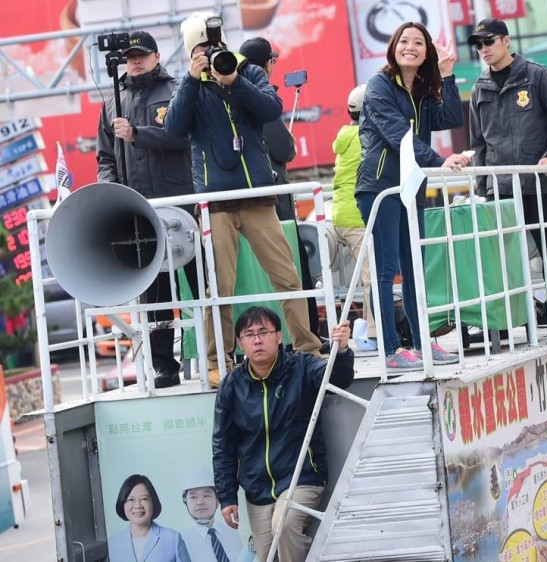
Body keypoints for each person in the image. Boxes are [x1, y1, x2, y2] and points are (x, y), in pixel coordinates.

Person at [164, 12, 322, 387]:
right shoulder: (188, 85)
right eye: (203, 48)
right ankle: (218, 360)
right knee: (219, 287)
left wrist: (233, 81)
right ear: (191, 52)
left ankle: (308, 350)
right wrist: (191, 78)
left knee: (287, 276)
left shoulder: (246, 72)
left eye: (217, 45)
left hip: (256, 198)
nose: (213, 53)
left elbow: (271, 109)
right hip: (215, 203)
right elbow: (173, 127)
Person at [356, 21, 468, 371]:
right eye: (404, 41)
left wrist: (447, 75)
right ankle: (390, 350)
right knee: (387, 270)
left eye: (419, 43)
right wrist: (439, 161)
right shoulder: (378, 86)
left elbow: (451, 117)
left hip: (410, 189)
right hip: (380, 188)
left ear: (426, 53)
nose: (411, 47)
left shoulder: (421, 89)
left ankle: (422, 344)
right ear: (393, 47)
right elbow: (396, 137)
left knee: (415, 269)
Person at [212, 306, 354, 562]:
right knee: (269, 557)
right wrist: (226, 497)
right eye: (249, 334)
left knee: (285, 525)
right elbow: (223, 445)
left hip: (302, 478)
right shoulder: (232, 385)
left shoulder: (301, 366)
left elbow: (337, 380)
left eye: (264, 332)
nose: (257, 339)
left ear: (279, 337)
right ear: (241, 344)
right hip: (257, 490)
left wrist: (342, 351)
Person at [96, 30, 197, 388]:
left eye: (142, 54)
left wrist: (137, 133)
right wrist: (110, 190)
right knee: (155, 294)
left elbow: (183, 135)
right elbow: (105, 156)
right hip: (139, 212)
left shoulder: (176, 91)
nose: (135, 60)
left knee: (202, 284)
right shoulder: (112, 102)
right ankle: (164, 366)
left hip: (182, 203)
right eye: (129, 56)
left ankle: (218, 354)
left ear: (157, 56)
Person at [467, 18, 547, 333]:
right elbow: (478, 143)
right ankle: (503, 323)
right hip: (499, 188)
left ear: (506, 41)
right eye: (479, 45)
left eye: (488, 42)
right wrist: (482, 186)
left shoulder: (536, 76)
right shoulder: (479, 89)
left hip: (537, 182)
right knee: (500, 258)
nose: (483, 49)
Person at [238, 36, 321, 339]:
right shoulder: (262, 100)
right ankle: (307, 334)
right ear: (269, 64)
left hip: (243, 203)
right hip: (274, 204)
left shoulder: (230, 94)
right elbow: (284, 150)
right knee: (293, 270)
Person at [331, 84, 377, 351]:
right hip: (358, 216)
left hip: (341, 214)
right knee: (373, 276)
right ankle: (375, 333)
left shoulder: (345, 136)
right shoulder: (368, 137)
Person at [108, 474, 190, 562]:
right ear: (122, 504)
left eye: (144, 499)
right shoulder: (112, 544)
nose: (138, 506)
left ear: (153, 502)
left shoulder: (173, 539)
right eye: (131, 499)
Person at [180, 466, 243, 562]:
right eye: (193, 497)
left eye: (206, 495)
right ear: (185, 501)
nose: (200, 502)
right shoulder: (181, 542)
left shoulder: (232, 534)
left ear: (217, 499)